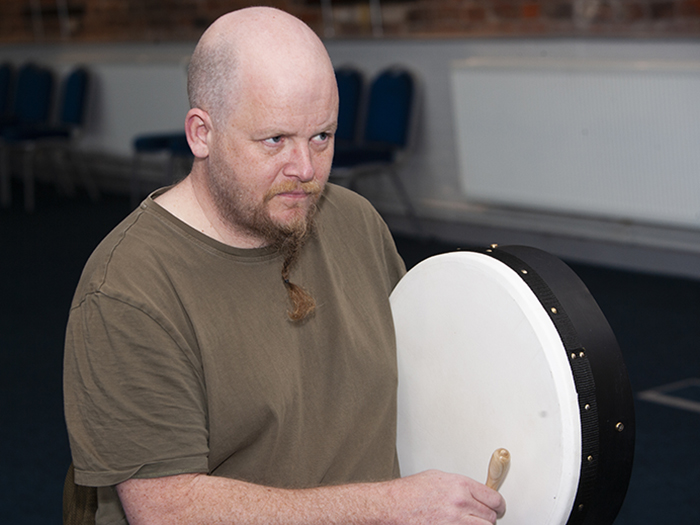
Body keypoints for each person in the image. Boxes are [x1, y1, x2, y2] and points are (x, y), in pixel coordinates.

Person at [63, 7, 506, 525]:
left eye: (322, 136)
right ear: (201, 134)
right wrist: (391, 507)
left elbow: (420, 378)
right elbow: (168, 511)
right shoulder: (129, 291)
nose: (305, 170)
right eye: (274, 140)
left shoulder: (354, 220)